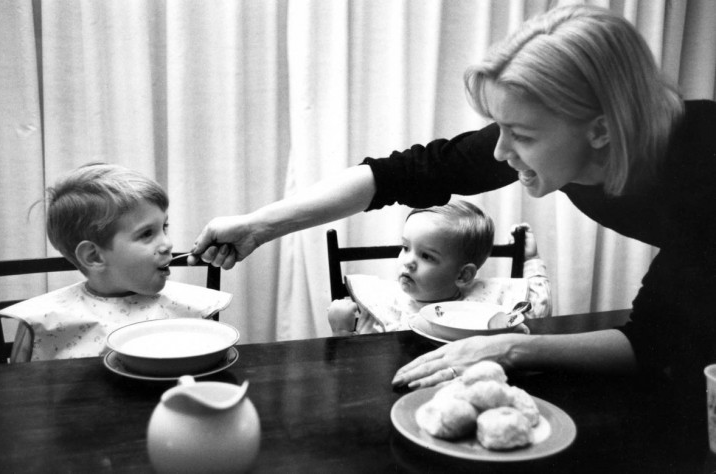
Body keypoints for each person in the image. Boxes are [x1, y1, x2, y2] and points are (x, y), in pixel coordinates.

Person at [189, 5, 715, 429]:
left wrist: (511, 347)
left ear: (601, 130)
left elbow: (650, 345)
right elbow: (403, 174)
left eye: (524, 136)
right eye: (499, 128)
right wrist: (259, 225)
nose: (501, 152)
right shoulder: (585, 139)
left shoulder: (703, 169)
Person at [0, 163, 232, 362]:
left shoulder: (193, 309)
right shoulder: (41, 324)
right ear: (94, 256)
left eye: (164, 227)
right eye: (146, 234)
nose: (167, 244)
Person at [327, 200, 551, 336]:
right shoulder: (383, 305)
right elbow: (359, 364)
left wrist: (531, 259)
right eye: (405, 247)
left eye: (426, 256)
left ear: (463, 275)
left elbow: (538, 309)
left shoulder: (484, 303)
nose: (408, 261)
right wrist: (342, 329)